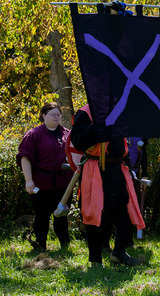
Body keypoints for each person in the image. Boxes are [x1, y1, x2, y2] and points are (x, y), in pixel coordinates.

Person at [70, 104, 144, 266]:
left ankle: (119, 252)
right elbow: (78, 142)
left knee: (125, 213)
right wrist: (97, 128)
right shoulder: (86, 113)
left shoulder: (121, 110)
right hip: (96, 168)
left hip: (117, 169)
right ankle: (95, 259)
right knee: (95, 214)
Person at [16, 102, 73, 251]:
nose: (57, 117)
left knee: (61, 215)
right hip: (42, 183)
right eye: (53, 114)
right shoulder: (34, 135)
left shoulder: (67, 134)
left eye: (58, 114)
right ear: (43, 115)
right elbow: (25, 158)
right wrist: (29, 181)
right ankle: (40, 246)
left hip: (63, 184)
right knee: (42, 216)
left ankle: (65, 246)